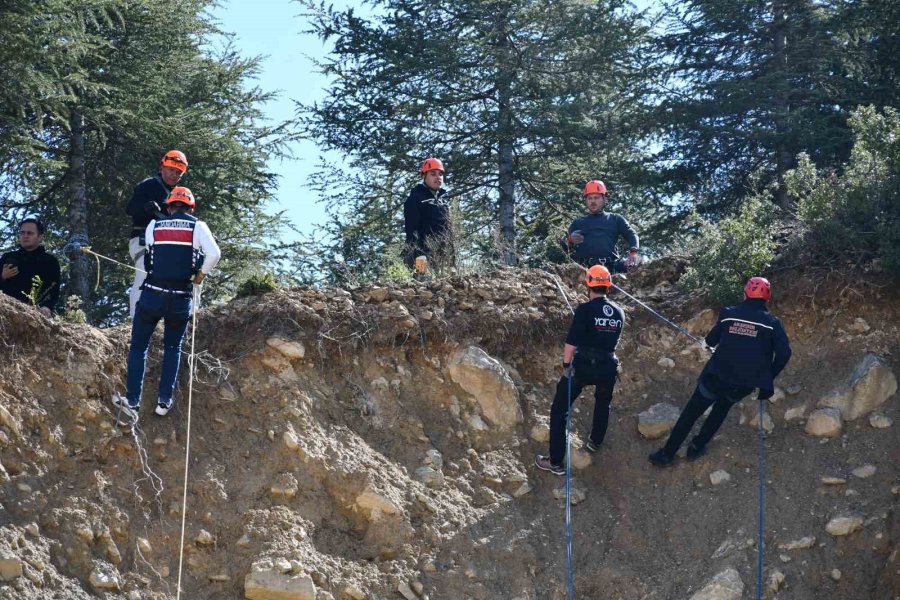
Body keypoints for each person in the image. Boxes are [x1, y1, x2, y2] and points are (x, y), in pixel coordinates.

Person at [649, 277, 792, 467]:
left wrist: (711, 344)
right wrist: (766, 377)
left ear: (746, 293)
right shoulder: (772, 323)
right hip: (743, 385)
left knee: (691, 413)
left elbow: (710, 341)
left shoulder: (729, 314)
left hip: (716, 377)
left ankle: (666, 455)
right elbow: (784, 353)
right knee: (721, 410)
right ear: (767, 298)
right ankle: (696, 447)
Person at [114, 187, 220, 422]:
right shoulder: (198, 227)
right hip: (180, 297)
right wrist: (200, 275)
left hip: (152, 294)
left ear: (169, 206)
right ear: (191, 208)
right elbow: (214, 254)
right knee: (173, 348)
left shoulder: (154, 226)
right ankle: (164, 401)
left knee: (139, 347)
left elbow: (151, 256)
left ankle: (132, 401)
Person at [535, 265, 624, 475]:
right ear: (608, 286)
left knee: (560, 409)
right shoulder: (619, 312)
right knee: (603, 403)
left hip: (583, 365)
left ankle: (555, 462)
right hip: (608, 366)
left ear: (589, 284)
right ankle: (595, 442)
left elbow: (572, 342)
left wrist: (566, 365)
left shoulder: (584, 310)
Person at [125, 150, 188, 318]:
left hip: (167, 244)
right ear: (162, 167)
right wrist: (145, 207)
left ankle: (165, 317)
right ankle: (134, 318)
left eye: (177, 172)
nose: (173, 175)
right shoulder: (148, 185)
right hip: (143, 238)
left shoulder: (180, 195)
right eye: (171, 170)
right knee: (144, 273)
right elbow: (130, 209)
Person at [561, 180, 640, 272]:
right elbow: (562, 245)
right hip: (585, 270)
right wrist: (570, 240)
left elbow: (631, 234)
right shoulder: (578, 223)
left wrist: (633, 253)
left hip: (612, 268)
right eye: (589, 198)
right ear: (586, 201)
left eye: (596, 197)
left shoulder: (615, 219)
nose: (593, 201)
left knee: (637, 266)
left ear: (605, 199)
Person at [0, 216, 61, 317]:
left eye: (30, 233)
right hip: (6, 311)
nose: (25, 236)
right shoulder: (8, 257)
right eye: (22, 233)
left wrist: (47, 307)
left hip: (35, 313)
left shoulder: (50, 261)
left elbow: (53, 291)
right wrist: (2, 277)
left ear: (40, 237)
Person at [403, 157, 453, 273]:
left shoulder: (444, 202)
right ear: (424, 176)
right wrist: (418, 256)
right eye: (433, 174)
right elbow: (412, 230)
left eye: (440, 174)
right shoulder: (415, 198)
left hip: (443, 257)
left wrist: (452, 259)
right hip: (422, 256)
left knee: (447, 288)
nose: (438, 177)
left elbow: (450, 233)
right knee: (423, 285)